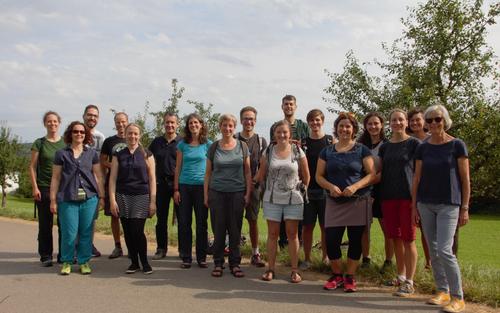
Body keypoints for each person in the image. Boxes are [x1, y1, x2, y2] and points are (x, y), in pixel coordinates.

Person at [412, 104, 470, 313]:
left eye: (438, 119)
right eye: (429, 120)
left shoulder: (457, 145)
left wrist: (465, 207)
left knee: (445, 250)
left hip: (449, 204)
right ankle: (442, 290)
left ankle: (458, 297)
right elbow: (417, 179)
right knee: (434, 250)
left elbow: (465, 180)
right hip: (425, 203)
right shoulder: (423, 147)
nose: (434, 123)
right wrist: (414, 207)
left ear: (445, 120)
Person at [316, 112, 375, 293]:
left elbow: (372, 174)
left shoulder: (362, 150)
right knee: (332, 240)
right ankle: (336, 275)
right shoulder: (327, 151)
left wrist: (356, 186)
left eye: (348, 126)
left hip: (357, 201)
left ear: (354, 129)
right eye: (341, 126)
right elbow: (319, 176)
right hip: (334, 202)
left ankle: (349, 277)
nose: (344, 129)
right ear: (336, 129)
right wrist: (330, 186)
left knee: (355, 240)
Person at [256, 120, 310, 283]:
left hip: (293, 199)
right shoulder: (269, 150)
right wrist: (249, 183)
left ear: (290, 134)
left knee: (292, 235)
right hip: (272, 198)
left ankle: (294, 270)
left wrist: (303, 189)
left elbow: (307, 175)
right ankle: (270, 268)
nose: (282, 135)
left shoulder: (297, 150)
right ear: (274, 134)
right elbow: (261, 173)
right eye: (278, 132)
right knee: (272, 235)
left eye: (285, 132)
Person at [49, 121, 105, 275]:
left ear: (86, 135)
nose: (79, 134)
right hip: (67, 199)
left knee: (86, 232)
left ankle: (84, 261)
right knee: (69, 233)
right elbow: (55, 178)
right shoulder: (61, 154)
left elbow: (98, 176)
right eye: (75, 131)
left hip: (89, 199)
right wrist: (53, 200)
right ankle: (67, 261)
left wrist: (102, 197)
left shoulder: (92, 154)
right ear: (70, 134)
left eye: (82, 132)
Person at [378, 109, 420, 297]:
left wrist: (417, 199)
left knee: (408, 239)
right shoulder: (385, 147)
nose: (397, 122)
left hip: (407, 198)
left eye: (400, 119)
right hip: (388, 197)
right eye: (393, 120)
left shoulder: (414, 144)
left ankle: (410, 281)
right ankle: (401, 276)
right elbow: (377, 171)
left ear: (406, 122)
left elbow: (419, 174)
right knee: (394, 237)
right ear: (389, 123)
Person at [204, 114, 252, 278]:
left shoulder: (243, 146)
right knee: (218, 229)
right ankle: (218, 263)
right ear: (220, 126)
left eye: (230, 125)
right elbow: (208, 174)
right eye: (224, 125)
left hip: (237, 193)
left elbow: (247, 172)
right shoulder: (214, 147)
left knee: (235, 230)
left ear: (234, 127)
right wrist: (206, 195)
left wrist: (248, 193)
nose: (227, 128)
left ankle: (235, 263)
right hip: (216, 193)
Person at [109, 123, 156, 274]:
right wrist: (112, 199)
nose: (132, 136)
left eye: (135, 134)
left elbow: (152, 179)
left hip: (141, 196)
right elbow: (113, 179)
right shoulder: (118, 154)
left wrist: (153, 201)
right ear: (125, 135)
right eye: (130, 133)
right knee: (128, 231)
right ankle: (134, 263)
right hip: (122, 195)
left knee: (137, 231)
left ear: (139, 135)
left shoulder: (147, 154)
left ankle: (145, 262)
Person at [269, 95, 309, 248]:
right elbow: (274, 147)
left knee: (296, 219)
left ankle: (296, 250)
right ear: (282, 107)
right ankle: (283, 248)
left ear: (295, 106)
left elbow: (305, 146)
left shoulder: (302, 126)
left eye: (291, 104)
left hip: (297, 176)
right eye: (286, 104)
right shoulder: (275, 126)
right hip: (278, 179)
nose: (289, 107)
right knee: (279, 218)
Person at [174, 113, 212, 269]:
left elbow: (211, 168)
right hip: (184, 186)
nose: (193, 125)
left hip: (202, 187)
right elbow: (178, 168)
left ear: (201, 125)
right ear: (187, 126)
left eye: (196, 122)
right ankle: (186, 257)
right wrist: (176, 189)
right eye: (190, 123)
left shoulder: (209, 144)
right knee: (184, 222)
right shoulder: (182, 145)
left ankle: (201, 257)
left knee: (201, 223)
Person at [357, 112, 394, 272]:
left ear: (382, 125)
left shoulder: (388, 144)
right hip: (364, 192)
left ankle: (388, 261)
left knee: (387, 228)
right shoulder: (359, 145)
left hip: (383, 190)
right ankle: (366, 258)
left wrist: (370, 180)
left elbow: (387, 170)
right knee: (364, 228)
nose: (373, 126)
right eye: (370, 124)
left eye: (376, 123)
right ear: (365, 126)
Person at [29, 111, 66, 267]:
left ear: (59, 123)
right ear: (45, 124)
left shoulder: (65, 143)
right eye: (49, 121)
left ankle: (64, 254)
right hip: (44, 187)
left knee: (64, 224)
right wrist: (34, 187)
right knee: (45, 224)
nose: (52, 124)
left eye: (55, 121)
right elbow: (32, 167)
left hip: (63, 188)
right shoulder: (40, 143)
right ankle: (46, 254)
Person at [300, 109, 334, 270]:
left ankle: (325, 257)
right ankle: (307, 258)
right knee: (307, 226)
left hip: (325, 191)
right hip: (307, 191)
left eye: (318, 120)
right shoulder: (303, 142)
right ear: (308, 123)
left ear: (322, 121)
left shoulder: (329, 141)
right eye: (312, 120)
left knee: (325, 226)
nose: (315, 123)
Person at [237, 106, 268, 267]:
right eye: (246, 118)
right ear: (241, 120)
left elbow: (263, 166)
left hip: (255, 187)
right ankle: (235, 251)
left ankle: (255, 253)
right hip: (235, 187)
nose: (249, 121)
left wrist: (253, 182)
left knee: (253, 220)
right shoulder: (234, 139)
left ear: (255, 121)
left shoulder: (261, 141)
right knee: (234, 221)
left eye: (251, 118)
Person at [149, 112, 182, 260]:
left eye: (172, 122)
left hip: (178, 185)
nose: (170, 125)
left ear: (177, 124)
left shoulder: (182, 142)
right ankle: (161, 248)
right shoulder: (156, 142)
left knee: (182, 218)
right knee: (161, 219)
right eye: (167, 122)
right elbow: (147, 161)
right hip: (160, 184)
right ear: (164, 124)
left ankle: (183, 250)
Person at [100, 112, 128, 259]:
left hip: (129, 183)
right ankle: (117, 246)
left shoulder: (133, 138)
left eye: (123, 121)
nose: (121, 124)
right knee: (115, 215)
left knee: (130, 216)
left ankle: (132, 246)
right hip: (113, 182)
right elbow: (102, 160)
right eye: (118, 122)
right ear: (115, 124)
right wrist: (115, 166)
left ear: (127, 122)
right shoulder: (109, 141)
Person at [407, 108, 432, 269]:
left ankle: (434, 263)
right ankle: (427, 263)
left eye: (418, 119)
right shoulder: (407, 141)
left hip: (431, 187)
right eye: (412, 120)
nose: (415, 123)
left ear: (424, 121)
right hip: (411, 189)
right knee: (420, 229)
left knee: (431, 230)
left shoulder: (432, 139)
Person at [83, 104, 105, 258]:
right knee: (75, 217)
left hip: (94, 183)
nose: (92, 118)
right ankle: (74, 248)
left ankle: (88, 245)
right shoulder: (76, 132)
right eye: (90, 115)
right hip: (76, 183)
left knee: (91, 218)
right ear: (84, 115)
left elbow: (103, 163)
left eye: (95, 116)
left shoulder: (100, 138)